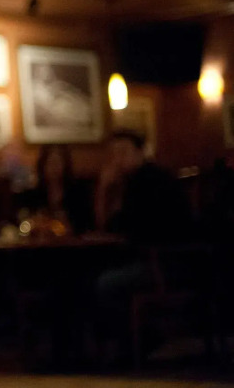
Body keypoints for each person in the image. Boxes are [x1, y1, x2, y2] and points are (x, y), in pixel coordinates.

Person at [93, 129, 192, 363]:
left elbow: (118, 226)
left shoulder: (147, 181)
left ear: (140, 153)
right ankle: (134, 340)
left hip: (167, 265)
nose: (118, 159)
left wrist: (106, 190)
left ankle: (137, 341)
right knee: (100, 276)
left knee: (106, 283)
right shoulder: (137, 180)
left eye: (124, 152)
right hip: (162, 260)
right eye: (114, 154)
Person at [23, 144, 93, 236]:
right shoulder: (34, 194)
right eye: (50, 163)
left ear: (65, 165)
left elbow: (85, 225)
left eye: (58, 163)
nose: (54, 168)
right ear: (43, 166)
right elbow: (26, 224)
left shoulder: (78, 193)